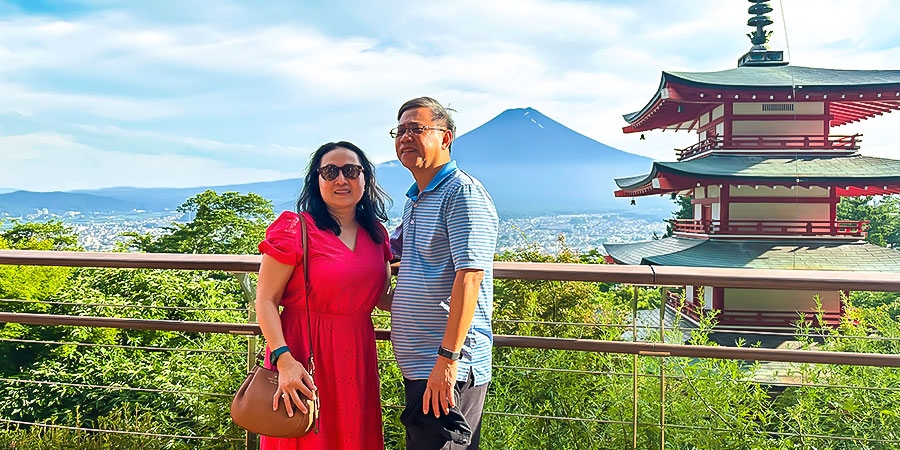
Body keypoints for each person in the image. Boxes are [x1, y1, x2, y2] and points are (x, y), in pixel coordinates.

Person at [255, 141, 393, 450]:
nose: (341, 179)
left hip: (356, 352)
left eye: (351, 170)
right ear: (316, 180)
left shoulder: (376, 234)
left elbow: (380, 296)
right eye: (330, 171)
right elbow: (265, 300)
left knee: (352, 435)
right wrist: (284, 359)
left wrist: (438, 306)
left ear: (366, 178)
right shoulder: (296, 228)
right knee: (304, 434)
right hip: (302, 351)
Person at [389, 97, 499, 449]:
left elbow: (470, 277)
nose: (406, 137)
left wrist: (448, 360)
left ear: (446, 138)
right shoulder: (415, 198)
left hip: (447, 365)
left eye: (416, 129)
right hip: (421, 365)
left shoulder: (462, 192)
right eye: (400, 130)